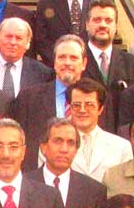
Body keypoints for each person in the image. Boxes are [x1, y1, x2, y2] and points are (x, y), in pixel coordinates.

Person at [13, 34, 90, 171]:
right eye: (62, 57)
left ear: (84, 63)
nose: (67, 62)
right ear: (54, 62)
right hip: (38, 180)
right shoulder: (29, 98)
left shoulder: (98, 99)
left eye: (73, 58)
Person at [82, 0, 134, 132]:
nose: (103, 25)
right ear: (87, 24)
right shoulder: (76, 61)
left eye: (108, 20)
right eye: (97, 20)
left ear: (115, 27)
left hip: (121, 139)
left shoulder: (133, 64)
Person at [68, 78, 133, 182]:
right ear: (70, 108)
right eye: (76, 105)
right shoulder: (54, 145)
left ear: (100, 109)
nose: (82, 110)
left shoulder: (121, 147)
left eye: (89, 104)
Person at [0, 17, 53, 98]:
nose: (13, 42)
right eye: (8, 36)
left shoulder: (43, 73)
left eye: (19, 38)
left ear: (28, 43)